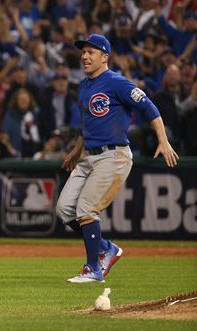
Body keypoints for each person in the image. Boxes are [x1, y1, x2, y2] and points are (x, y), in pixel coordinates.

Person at [56, 34, 178, 283]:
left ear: (105, 56)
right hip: (88, 155)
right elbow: (87, 124)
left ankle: (93, 269)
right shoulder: (84, 85)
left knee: (86, 209)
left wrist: (163, 141)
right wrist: (76, 150)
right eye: (83, 52)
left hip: (113, 155)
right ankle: (105, 248)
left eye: (91, 52)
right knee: (64, 209)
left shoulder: (117, 83)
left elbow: (150, 109)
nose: (85, 56)